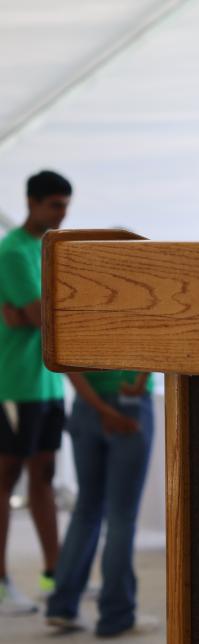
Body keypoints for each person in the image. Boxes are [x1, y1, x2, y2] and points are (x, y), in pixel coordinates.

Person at [0, 170, 71, 615]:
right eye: (54, 206)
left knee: (43, 478)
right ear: (32, 203)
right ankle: (2, 582)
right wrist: (43, 311)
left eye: (66, 206)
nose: (62, 215)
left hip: (49, 382)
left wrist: (37, 313)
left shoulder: (53, 249)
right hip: (15, 385)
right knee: (6, 483)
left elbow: (42, 314)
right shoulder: (12, 251)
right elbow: (36, 313)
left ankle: (56, 574)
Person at [45, 369, 156, 636]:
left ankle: (62, 605)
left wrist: (97, 406)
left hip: (86, 406)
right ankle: (117, 615)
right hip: (129, 400)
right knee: (121, 516)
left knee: (86, 510)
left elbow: (65, 362)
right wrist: (139, 381)